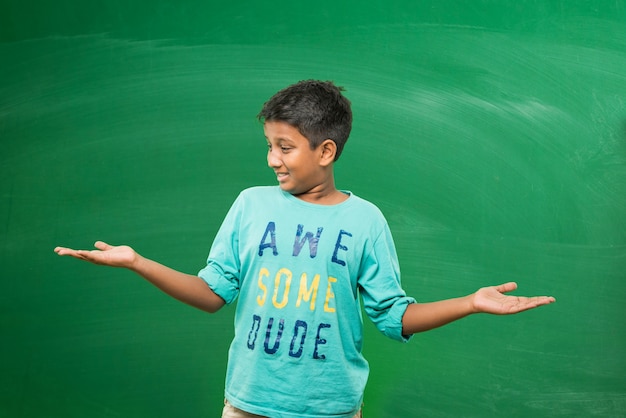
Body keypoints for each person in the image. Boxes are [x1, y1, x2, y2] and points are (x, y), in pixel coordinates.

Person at [54, 80, 555, 418]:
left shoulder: (366, 221)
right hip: (247, 405)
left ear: (326, 150)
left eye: (285, 147)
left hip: (330, 410)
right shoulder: (250, 206)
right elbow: (211, 293)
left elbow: (394, 316)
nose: (272, 158)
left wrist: (470, 302)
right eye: (269, 144)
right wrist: (137, 262)